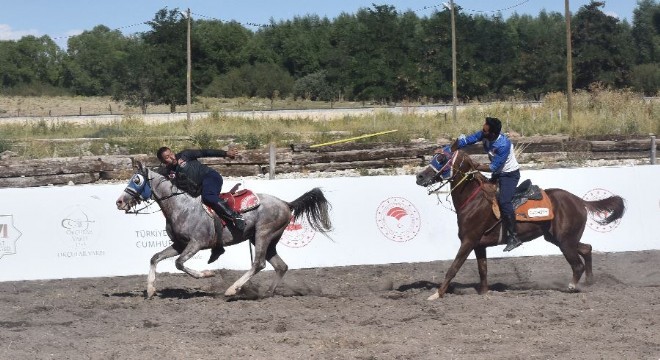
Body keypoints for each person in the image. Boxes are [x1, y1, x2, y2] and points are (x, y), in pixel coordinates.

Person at [451, 117, 522, 252]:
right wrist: (450, 149)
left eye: (485, 131)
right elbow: (467, 140)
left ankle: (514, 237)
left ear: (493, 134)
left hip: (509, 175)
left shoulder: (503, 144)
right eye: (483, 129)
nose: (482, 132)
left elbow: (494, 167)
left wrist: (475, 166)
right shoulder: (485, 133)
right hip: (498, 174)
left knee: (504, 201)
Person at [156, 146, 246, 232]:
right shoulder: (167, 172)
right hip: (197, 189)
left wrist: (226, 153)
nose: (172, 157)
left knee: (208, 196)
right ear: (163, 161)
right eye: (167, 157)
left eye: (171, 153)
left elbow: (205, 152)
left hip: (210, 177)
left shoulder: (185, 154)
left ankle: (235, 216)